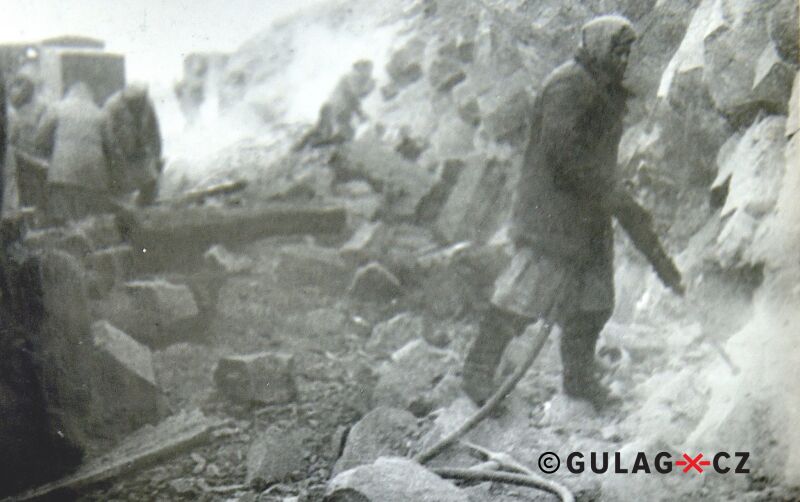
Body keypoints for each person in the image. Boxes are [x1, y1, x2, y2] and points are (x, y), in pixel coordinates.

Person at [461, 15, 682, 409]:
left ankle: (578, 379)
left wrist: (615, 198)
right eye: (617, 51)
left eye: (627, 53)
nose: (624, 60)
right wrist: (610, 191)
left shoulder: (605, 89)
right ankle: (477, 370)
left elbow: (598, 161)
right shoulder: (568, 85)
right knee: (523, 295)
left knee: (594, 302)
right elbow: (563, 152)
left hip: (589, 215)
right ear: (597, 47)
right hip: (552, 213)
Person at [36, 82, 112, 223]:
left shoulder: (56, 108)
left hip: (62, 172)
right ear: (90, 96)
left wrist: (51, 150)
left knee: (63, 219)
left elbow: (40, 138)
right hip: (93, 174)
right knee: (89, 221)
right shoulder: (100, 114)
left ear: (69, 93)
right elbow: (110, 146)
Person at [102, 83, 163, 206]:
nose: (138, 105)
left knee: (151, 184)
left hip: (139, 151)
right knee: (120, 191)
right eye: (134, 102)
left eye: (140, 101)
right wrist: (116, 160)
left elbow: (154, 132)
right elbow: (106, 136)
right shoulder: (112, 106)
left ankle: (143, 209)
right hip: (119, 153)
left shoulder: (147, 104)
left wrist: (157, 157)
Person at [294, 59, 376, 149]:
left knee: (343, 134)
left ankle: (311, 145)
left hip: (340, 111)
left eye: (370, 71)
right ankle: (304, 146)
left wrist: (367, 91)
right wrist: (360, 113)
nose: (369, 73)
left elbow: (356, 98)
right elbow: (352, 96)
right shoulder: (353, 76)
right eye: (368, 70)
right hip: (333, 108)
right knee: (324, 131)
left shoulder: (359, 80)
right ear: (360, 68)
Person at [8, 65, 49, 211]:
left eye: (24, 84)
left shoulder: (42, 106)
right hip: (19, 159)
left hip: (33, 160)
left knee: (32, 199)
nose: (20, 88)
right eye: (18, 83)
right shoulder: (13, 107)